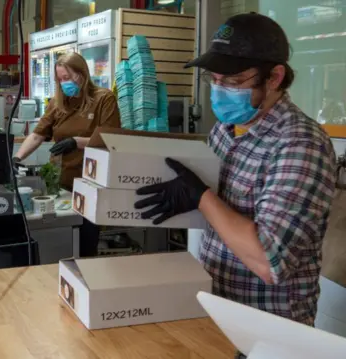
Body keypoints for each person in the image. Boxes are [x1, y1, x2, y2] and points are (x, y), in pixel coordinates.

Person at [133, 13, 336, 357]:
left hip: (271, 334)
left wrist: (201, 197)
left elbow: (270, 261)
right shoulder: (225, 132)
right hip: (220, 315)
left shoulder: (300, 143)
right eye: (214, 79)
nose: (220, 90)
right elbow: (218, 216)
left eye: (234, 80)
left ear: (274, 77)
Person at [14, 52, 121, 257]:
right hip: (61, 185)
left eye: (69, 78)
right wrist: (17, 158)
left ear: (82, 74)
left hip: (91, 185)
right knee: (61, 242)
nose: (65, 83)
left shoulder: (103, 99)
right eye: (61, 79)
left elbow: (111, 140)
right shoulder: (57, 103)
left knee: (85, 245)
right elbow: (37, 135)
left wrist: (77, 142)